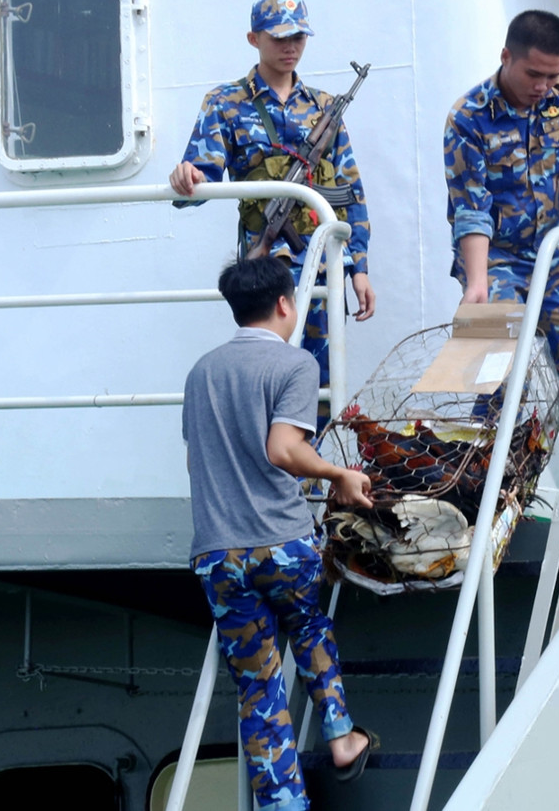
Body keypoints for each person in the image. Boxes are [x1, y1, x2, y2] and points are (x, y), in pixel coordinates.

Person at [182, 256, 379, 810]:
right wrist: (338, 474)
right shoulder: (295, 364)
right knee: (309, 627)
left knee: (258, 688)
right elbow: (283, 449)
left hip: (219, 552)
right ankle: (341, 738)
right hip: (281, 544)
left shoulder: (201, 372)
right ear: (286, 304)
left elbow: (196, 461)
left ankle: (283, 804)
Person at [170, 0, 376, 419]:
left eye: (298, 37)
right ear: (254, 38)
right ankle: (268, 456)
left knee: (320, 381)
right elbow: (200, 180)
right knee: (267, 375)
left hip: (323, 265)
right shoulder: (225, 103)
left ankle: (307, 460)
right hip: (267, 268)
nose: (290, 47)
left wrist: (359, 267)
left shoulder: (323, 108)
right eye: (279, 37)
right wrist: (187, 179)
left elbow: (350, 190)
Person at [444, 9, 559, 491]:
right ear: (506, 57)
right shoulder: (468, 116)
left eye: (552, 74)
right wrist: (476, 285)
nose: (543, 86)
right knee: (496, 370)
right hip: (492, 256)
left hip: (550, 252)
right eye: (534, 74)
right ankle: (484, 487)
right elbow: (470, 208)